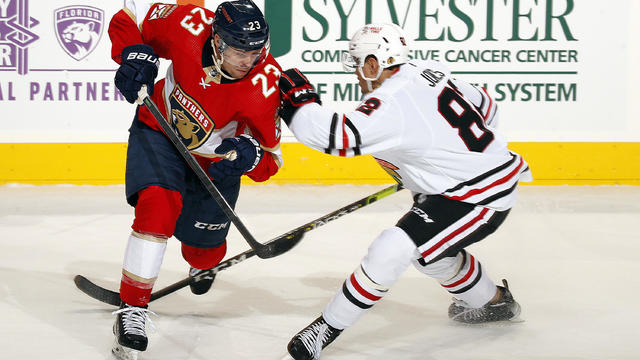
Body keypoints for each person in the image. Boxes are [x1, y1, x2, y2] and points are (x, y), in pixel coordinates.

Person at [278, 23, 532, 359]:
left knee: (393, 247)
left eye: (357, 64)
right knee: (431, 256)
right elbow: (487, 108)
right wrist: (435, 163)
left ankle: (326, 328)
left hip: (477, 194)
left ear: (373, 63)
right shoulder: (427, 71)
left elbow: (336, 137)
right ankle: (495, 303)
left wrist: (299, 102)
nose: (356, 73)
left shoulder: (391, 102)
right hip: (464, 186)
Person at [107, 0, 283, 358]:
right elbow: (128, 18)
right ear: (216, 40)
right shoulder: (187, 23)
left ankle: (203, 263)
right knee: (158, 205)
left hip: (213, 166)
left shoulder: (265, 85)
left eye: (255, 51)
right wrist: (132, 53)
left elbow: (271, 160)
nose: (248, 61)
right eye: (238, 51)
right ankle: (133, 310)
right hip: (158, 130)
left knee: (202, 255)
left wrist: (249, 157)